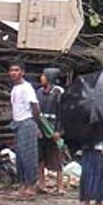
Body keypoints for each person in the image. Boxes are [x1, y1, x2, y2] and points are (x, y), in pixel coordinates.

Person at [9, 63, 41, 198]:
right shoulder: (15, 89)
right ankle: (23, 184)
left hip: (27, 122)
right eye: (11, 70)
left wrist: (36, 123)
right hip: (18, 123)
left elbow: (35, 106)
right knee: (20, 157)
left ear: (22, 72)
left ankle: (31, 185)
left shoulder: (27, 88)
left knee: (29, 156)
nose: (13, 73)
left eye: (17, 70)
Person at [36, 67, 65, 195]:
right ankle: (41, 183)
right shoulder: (39, 92)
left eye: (44, 76)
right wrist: (37, 127)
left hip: (53, 127)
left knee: (57, 157)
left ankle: (60, 185)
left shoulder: (59, 93)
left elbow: (63, 114)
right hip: (42, 126)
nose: (41, 78)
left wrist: (59, 130)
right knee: (41, 157)